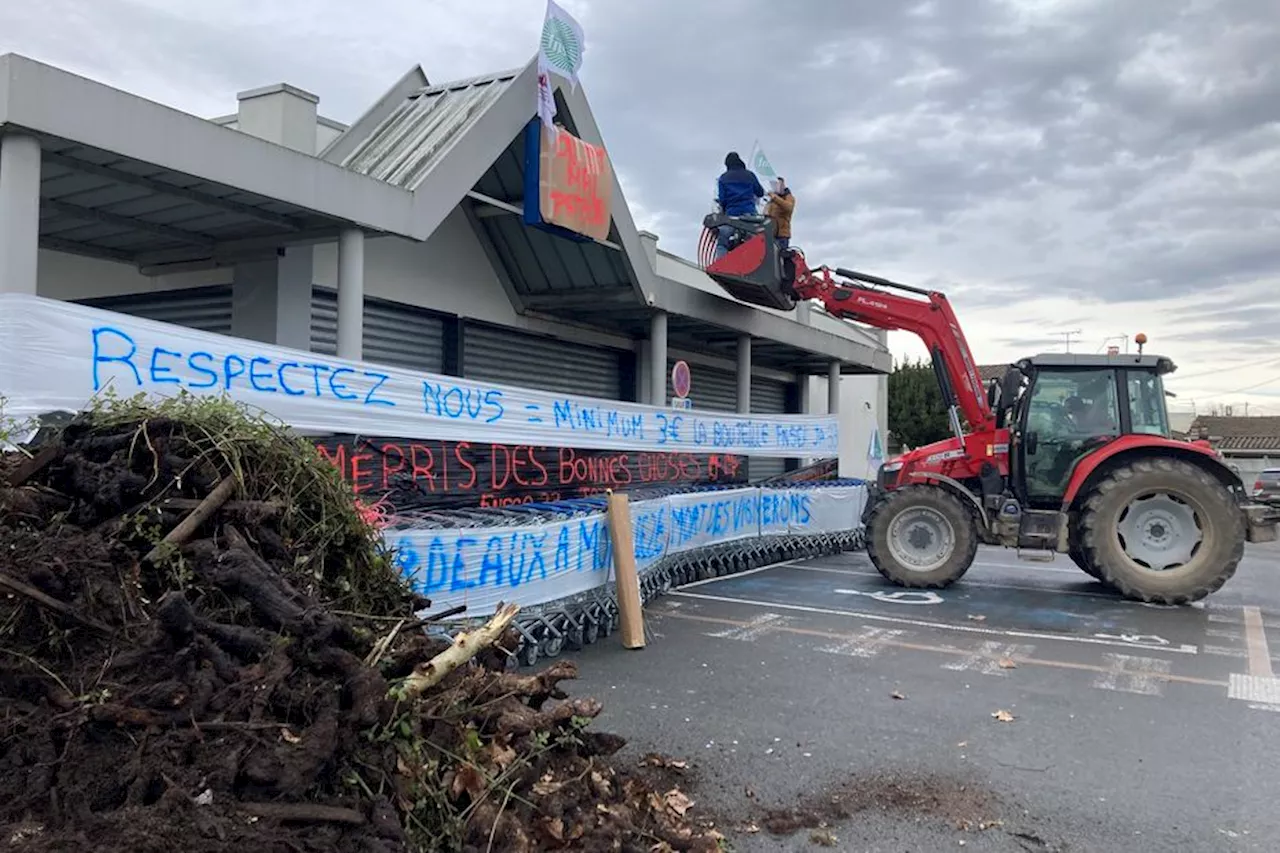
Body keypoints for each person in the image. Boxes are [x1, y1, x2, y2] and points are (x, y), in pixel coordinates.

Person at [713, 151, 765, 260]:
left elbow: (722, 200)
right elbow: (760, 192)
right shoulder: (749, 175)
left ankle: (722, 267)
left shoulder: (723, 178)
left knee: (722, 243)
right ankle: (755, 264)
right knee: (755, 242)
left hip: (731, 216)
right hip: (749, 216)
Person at [764, 176, 795, 250]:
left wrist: (774, 197)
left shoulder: (788, 197)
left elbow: (788, 207)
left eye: (777, 184)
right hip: (771, 234)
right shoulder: (772, 200)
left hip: (782, 235)